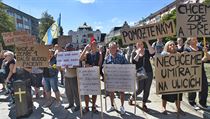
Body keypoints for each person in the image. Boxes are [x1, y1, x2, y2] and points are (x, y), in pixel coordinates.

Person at [128, 39, 155, 112]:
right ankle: (132, 97)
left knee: (147, 89)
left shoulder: (146, 51)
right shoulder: (134, 53)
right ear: (136, 45)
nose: (140, 46)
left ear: (143, 45)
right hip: (140, 73)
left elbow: (153, 53)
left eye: (141, 44)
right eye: (138, 44)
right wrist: (138, 53)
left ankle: (144, 104)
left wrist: (147, 42)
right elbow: (134, 62)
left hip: (149, 72)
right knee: (140, 89)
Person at [160, 41, 185, 115]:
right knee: (166, 92)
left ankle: (179, 108)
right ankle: (163, 107)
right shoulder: (163, 54)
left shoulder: (178, 54)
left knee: (178, 93)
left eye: (173, 44)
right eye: (170, 45)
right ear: (167, 46)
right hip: (167, 77)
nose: (172, 46)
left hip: (177, 77)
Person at [185, 37, 210, 110]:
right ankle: (192, 102)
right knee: (193, 87)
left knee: (204, 87)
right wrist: (201, 61)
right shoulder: (187, 50)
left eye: (196, 39)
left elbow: (208, 58)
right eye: (194, 39)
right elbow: (188, 61)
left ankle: (203, 103)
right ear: (190, 41)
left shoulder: (200, 48)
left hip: (201, 70)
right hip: (191, 71)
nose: (196, 40)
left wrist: (206, 52)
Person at [104, 41, 128, 115]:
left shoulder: (121, 57)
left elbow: (127, 65)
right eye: (111, 48)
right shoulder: (107, 58)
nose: (113, 49)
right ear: (109, 49)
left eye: (114, 48)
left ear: (116, 48)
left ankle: (122, 106)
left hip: (120, 78)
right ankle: (112, 106)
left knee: (122, 92)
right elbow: (103, 67)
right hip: (111, 79)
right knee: (111, 93)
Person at [80, 38, 103, 114]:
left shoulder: (99, 54)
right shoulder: (87, 53)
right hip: (87, 75)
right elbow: (80, 59)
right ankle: (86, 107)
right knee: (86, 92)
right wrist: (85, 49)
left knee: (94, 92)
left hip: (95, 75)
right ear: (90, 45)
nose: (94, 46)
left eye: (96, 44)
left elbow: (99, 64)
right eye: (93, 44)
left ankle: (93, 106)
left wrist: (101, 54)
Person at [63, 43, 80, 112]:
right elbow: (61, 65)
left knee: (75, 92)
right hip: (66, 76)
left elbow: (78, 65)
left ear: (72, 49)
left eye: (69, 49)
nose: (68, 50)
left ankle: (78, 105)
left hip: (74, 76)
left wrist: (71, 66)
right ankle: (71, 103)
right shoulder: (64, 56)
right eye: (67, 49)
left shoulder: (76, 56)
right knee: (68, 91)